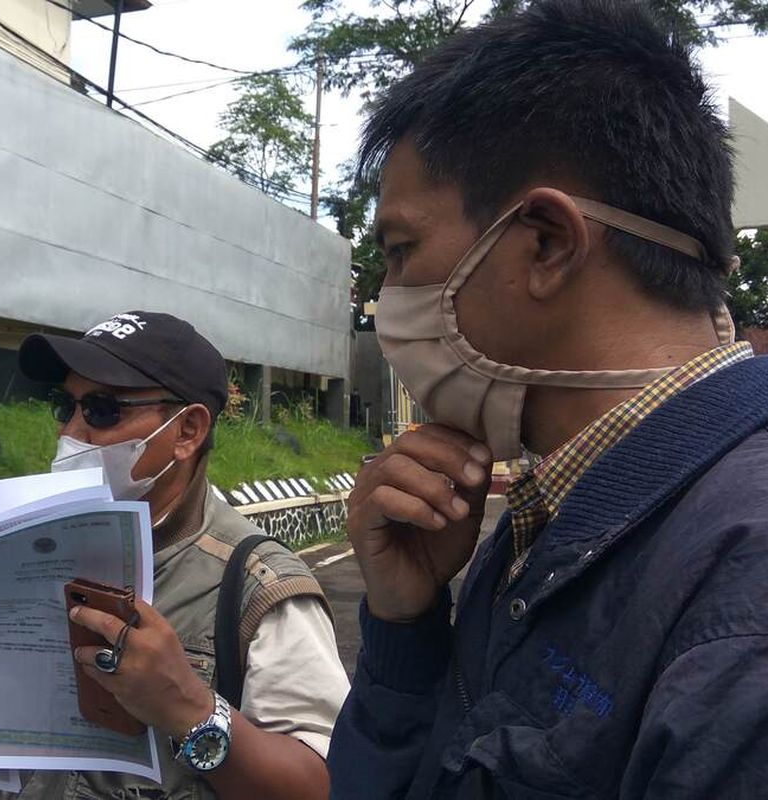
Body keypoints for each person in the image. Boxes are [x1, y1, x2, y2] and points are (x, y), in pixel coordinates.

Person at [327, 0, 768, 797]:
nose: (384, 299)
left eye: (400, 251)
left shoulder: (739, 600)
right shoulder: (545, 509)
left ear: (547, 244)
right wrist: (405, 630)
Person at [0, 310, 349, 800]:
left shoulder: (259, 587)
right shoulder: (16, 550)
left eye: (103, 409)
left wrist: (191, 712)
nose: (71, 432)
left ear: (187, 432)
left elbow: (325, 784)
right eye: (63, 407)